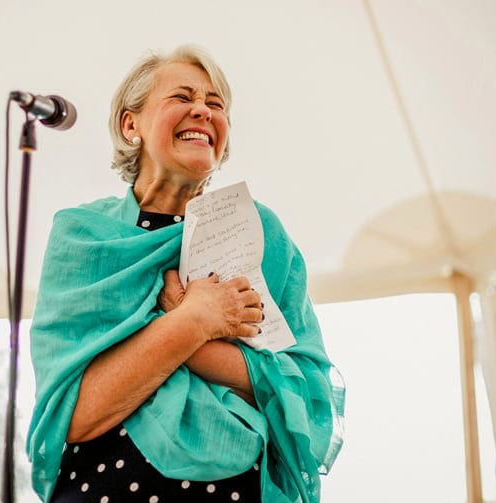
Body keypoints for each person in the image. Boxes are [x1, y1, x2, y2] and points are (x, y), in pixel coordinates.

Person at [26, 44, 345, 503]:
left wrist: (187, 326)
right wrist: (195, 320)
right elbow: (76, 414)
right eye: (182, 97)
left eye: (216, 105)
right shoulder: (84, 238)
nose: (202, 109)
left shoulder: (260, 233)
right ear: (129, 124)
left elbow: (302, 393)